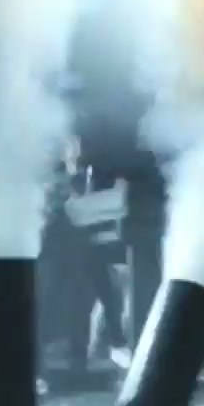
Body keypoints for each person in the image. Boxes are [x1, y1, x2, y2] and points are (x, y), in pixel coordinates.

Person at [42, 133, 132, 377]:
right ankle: (86, 353)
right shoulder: (68, 179)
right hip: (71, 247)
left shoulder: (90, 176)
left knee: (101, 296)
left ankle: (102, 347)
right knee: (80, 299)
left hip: (87, 246)